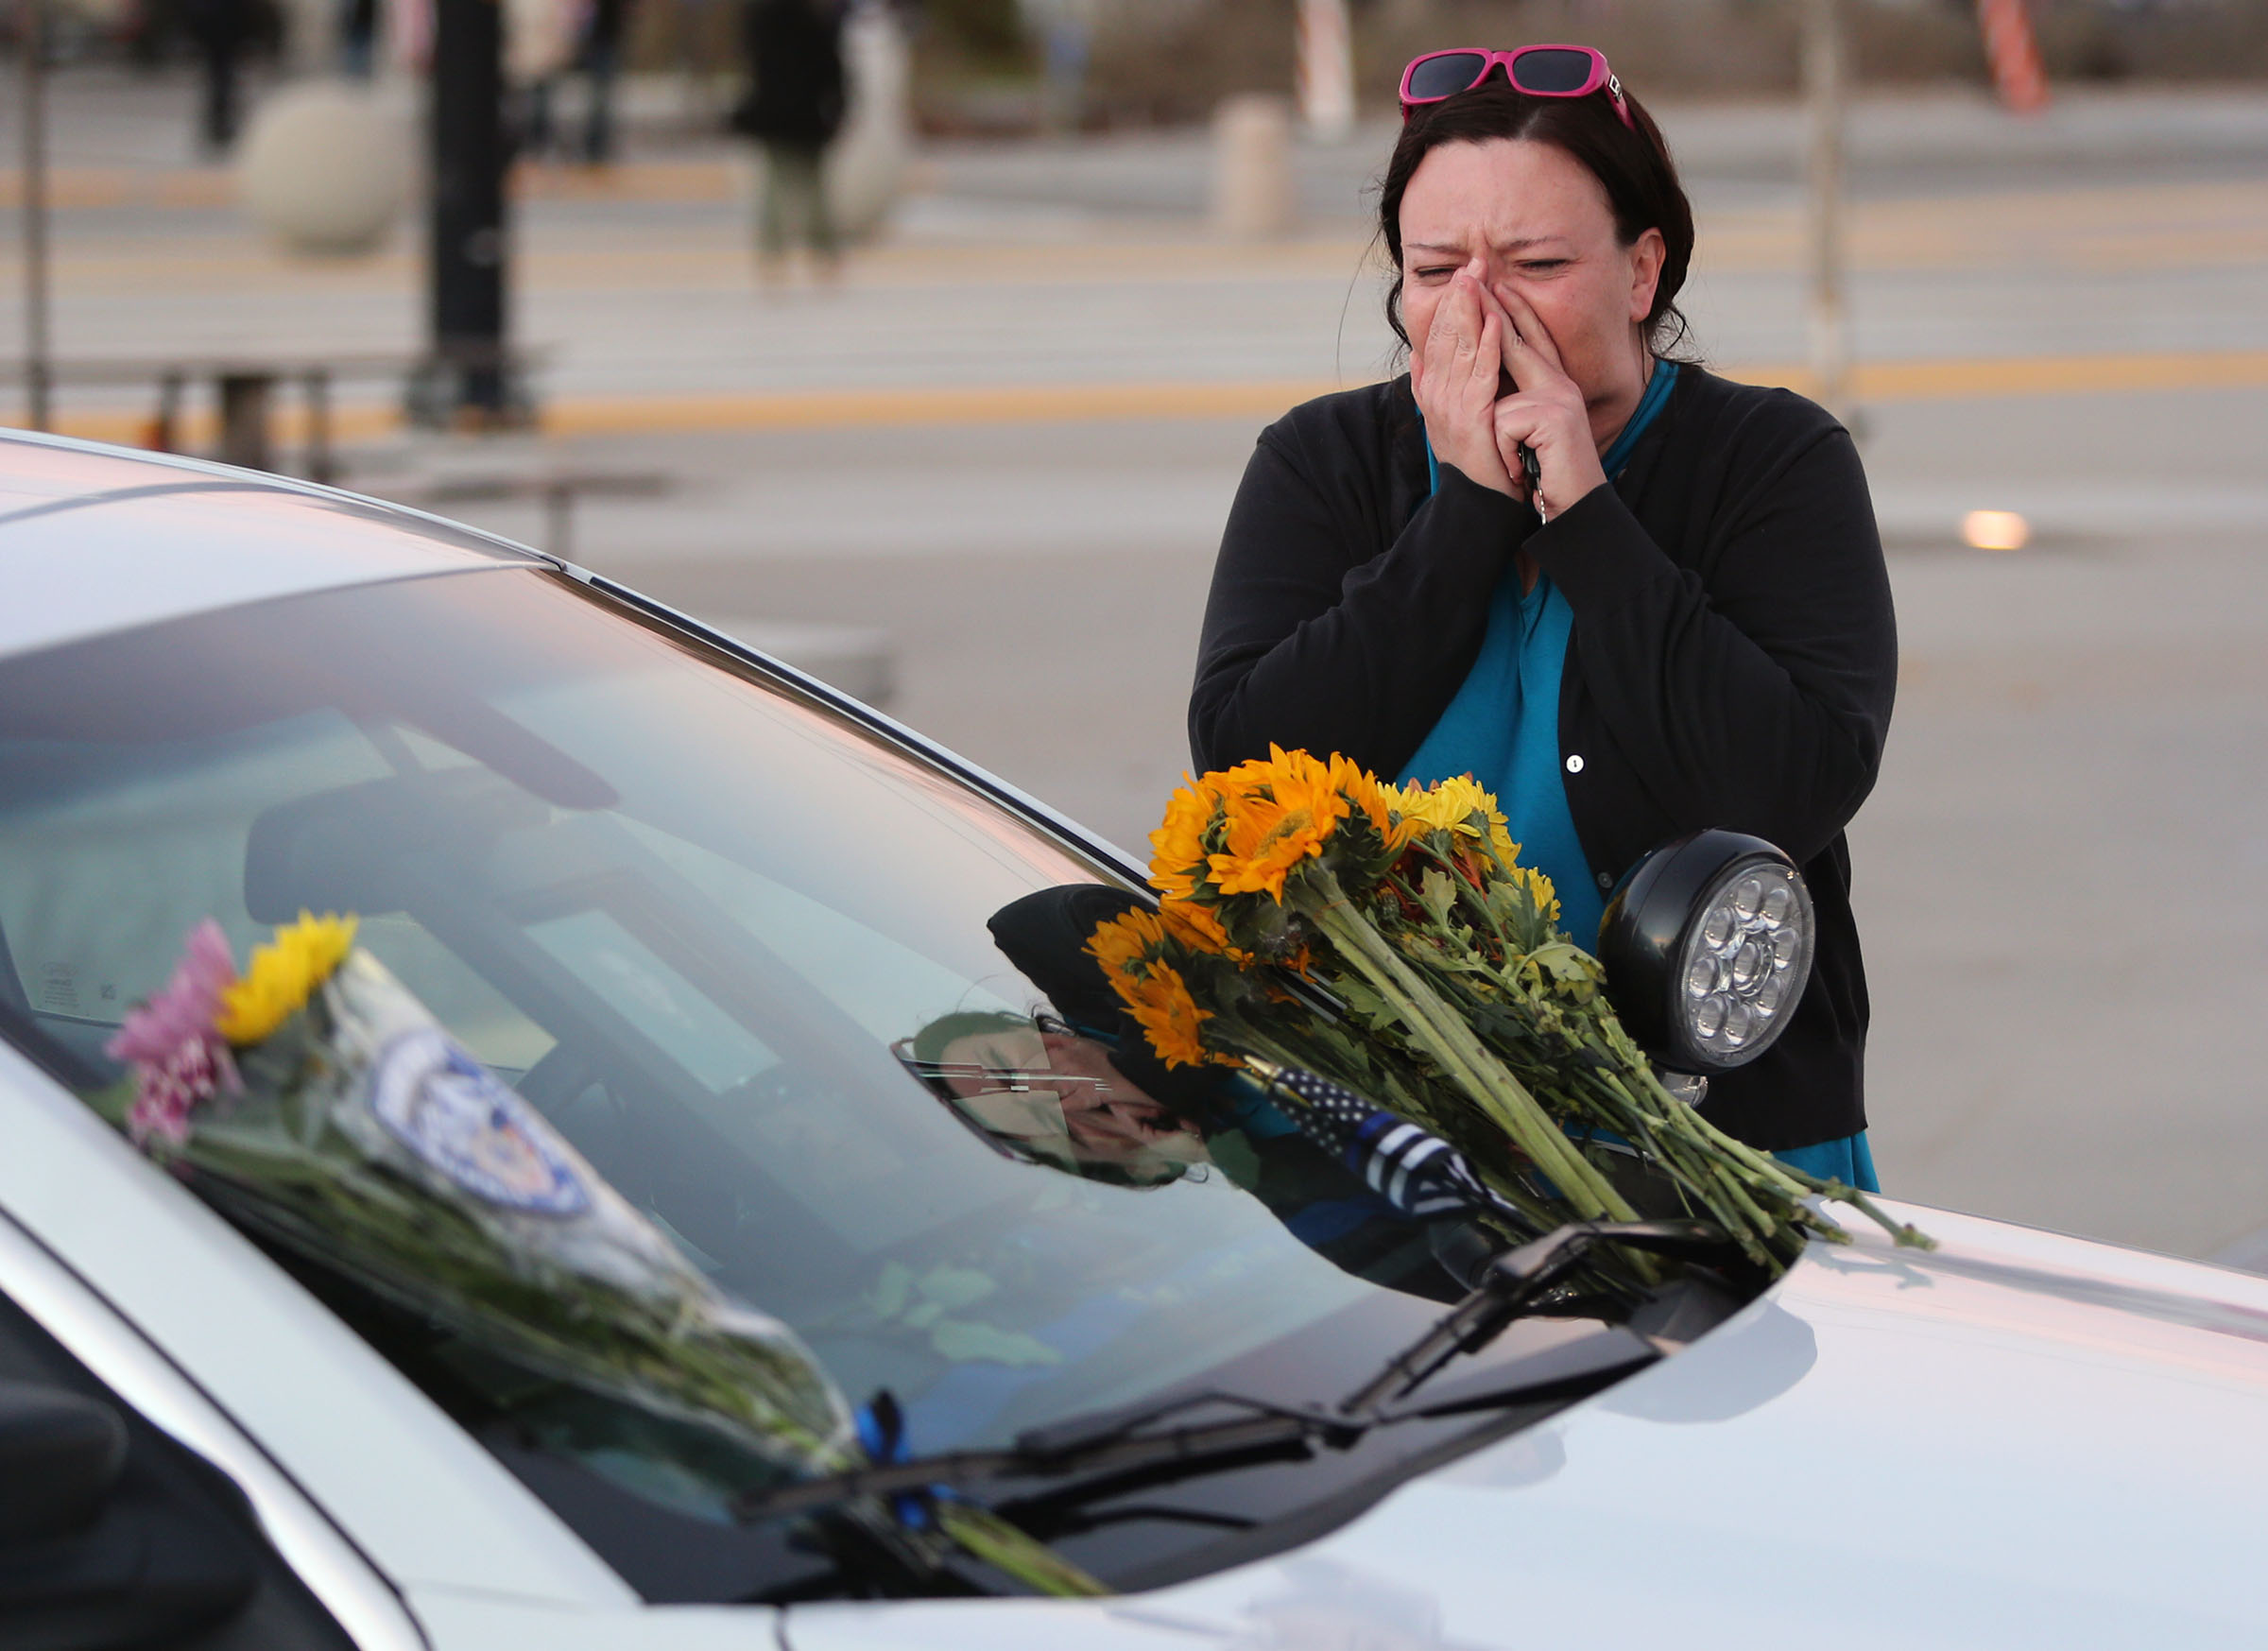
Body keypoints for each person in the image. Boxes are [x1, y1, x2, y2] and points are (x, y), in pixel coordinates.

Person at [1187, 48, 1897, 1189]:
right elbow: (1244, 768)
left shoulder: (1773, 461)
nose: (1478, 305)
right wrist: (1465, 515)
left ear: (1641, 271)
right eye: (1435, 269)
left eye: (1538, 263)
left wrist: (1588, 515)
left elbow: (1792, 782)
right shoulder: (1322, 463)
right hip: (1387, 1137)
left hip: (1719, 1140)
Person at [734, 0, 848, 284]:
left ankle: (774, 253)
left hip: (774, 112)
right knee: (814, 185)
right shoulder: (813, 19)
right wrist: (839, 107)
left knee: (776, 182)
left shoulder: (760, 18)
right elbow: (832, 67)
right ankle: (823, 253)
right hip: (808, 114)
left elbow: (753, 63)